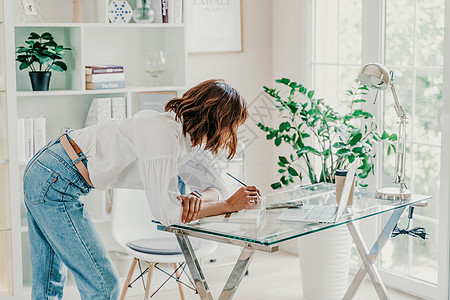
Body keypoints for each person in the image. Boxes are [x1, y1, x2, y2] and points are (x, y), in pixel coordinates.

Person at [23, 79, 261, 299]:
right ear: (217, 120)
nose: (231, 134)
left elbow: (216, 186)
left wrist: (198, 198)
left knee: (48, 285)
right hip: (55, 179)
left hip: (50, 171)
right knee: (103, 284)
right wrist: (228, 205)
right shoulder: (163, 133)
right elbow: (167, 214)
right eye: (232, 126)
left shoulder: (186, 139)